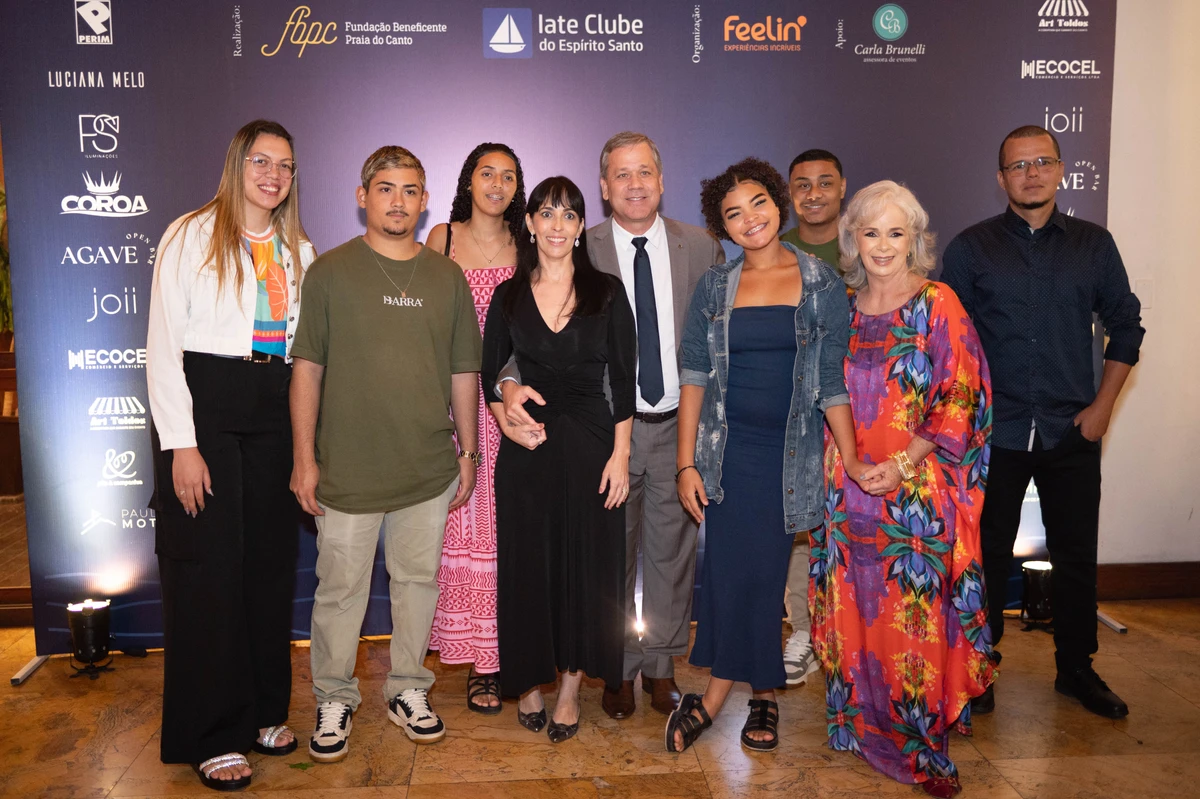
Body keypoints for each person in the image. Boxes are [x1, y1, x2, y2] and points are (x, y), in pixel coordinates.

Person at [498, 132, 725, 719]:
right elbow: (522, 343)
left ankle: (661, 668)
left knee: (672, 557)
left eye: (644, 171)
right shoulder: (581, 247)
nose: (634, 183)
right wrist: (503, 395)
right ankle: (617, 671)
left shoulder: (701, 248)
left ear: (662, 179)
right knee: (606, 562)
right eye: (621, 174)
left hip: (675, 425)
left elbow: (716, 342)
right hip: (601, 432)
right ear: (603, 188)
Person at [943, 125, 1144, 720]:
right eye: (1017, 165)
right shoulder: (971, 247)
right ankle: (978, 670)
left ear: (1060, 170)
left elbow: (1126, 326)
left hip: (1069, 429)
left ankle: (1076, 670)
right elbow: (946, 341)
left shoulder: (1094, 245)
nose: (1030, 173)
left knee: (1077, 555)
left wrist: (1102, 408)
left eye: (1042, 162)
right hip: (993, 433)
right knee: (984, 557)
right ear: (1001, 177)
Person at [289, 146, 483, 762]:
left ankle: (407, 688)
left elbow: (462, 372)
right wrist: (304, 458)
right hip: (345, 470)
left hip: (426, 469)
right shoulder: (329, 272)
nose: (398, 201)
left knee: (418, 584)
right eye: (385, 189)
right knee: (339, 590)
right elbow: (307, 370)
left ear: (425, 201)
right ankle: (334, 696)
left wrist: (470, 452)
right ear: (362, 196)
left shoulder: (446, 276)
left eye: (410, 190)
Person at [667, 158, 864, 755]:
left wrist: (851, 460)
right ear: (721, 226)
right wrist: (686, 464)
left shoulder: (821, 282)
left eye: (757, 204)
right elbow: (694, 376)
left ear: (777, 205)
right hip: (727, 455)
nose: (749, 219)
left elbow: (832, 380)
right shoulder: (715, 285)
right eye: (733, 213)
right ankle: (762, 696)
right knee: (731, 578)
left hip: (793, 457)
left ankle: (720, 694)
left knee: (765, 576)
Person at [811, 180, 995, 798]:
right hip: (846, 483)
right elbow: (822, 390)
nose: (883, 246)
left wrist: (904, 462)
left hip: (912, 495)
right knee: (852, 612)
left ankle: (917, 741)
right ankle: (857, 725)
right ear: (852, 239)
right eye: (870, 232)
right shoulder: (839, 303)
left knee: (910, 623)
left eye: (896, 232)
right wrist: (852, 461)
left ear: (915, 239)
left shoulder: (938, 302)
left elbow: (960, 392)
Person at [146, 119, 315, 791]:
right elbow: (163, 346)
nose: (273, 174)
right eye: (261, 161)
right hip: (206, 411)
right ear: (237, 164)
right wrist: (181, 444)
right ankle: (210, 732)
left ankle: (263, 711)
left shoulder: (298, 247)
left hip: (273, 408)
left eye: (285, 165)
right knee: (209, 574)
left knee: (268, 570)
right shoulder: (189, 234)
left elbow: (305, 355)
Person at [482, 176, 637, 743]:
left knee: (583, 569)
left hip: (593, 446)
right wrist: (505, 412)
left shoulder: (607, 292)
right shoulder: (509, 294)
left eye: (568, 215)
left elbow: (623, 380)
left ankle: (570, 690)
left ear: (580, 226)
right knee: (527, 565)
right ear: (530, 222)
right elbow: (490, 371)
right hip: (527, 451)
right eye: (546, 214)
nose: (556, 225)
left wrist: (621, 457)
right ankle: (528, 680)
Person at [424, 143, 527, 715]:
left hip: (510, 408)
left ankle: (510, 654)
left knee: (509, 536)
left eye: (508, 175)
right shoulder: (442, 238)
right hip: (455, 408)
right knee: (462, 535)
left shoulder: (527, 244)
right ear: (468, 180)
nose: (497, 183)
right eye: (487, 172)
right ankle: (480, 664)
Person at [777, 147, 848, 687]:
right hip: (795, 411)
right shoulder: (776, 252)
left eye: (825, 182)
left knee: (854, 524)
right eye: (802, 184)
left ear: (843, 187)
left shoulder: (866, 245)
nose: (814, 193)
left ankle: (854, 633)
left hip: (862, 408)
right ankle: (803, 628)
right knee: (802, 528)